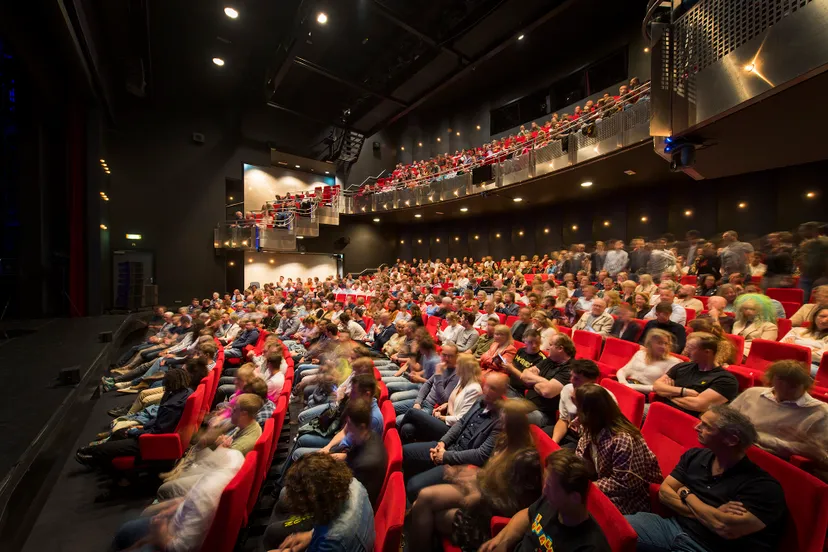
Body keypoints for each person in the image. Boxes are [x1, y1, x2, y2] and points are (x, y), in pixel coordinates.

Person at [626, 405, 787, 552]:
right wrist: (709, 515)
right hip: (670, 527)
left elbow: (723, 528)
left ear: (731, 440)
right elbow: (664, 493)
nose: (696, 427)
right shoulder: (695, 456)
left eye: (706, 426)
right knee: (611, 530)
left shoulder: (763, 487)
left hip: (708, 547)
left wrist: (686, 494)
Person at [409, 401, 543, 552]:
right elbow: (491, 474)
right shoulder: (503, 440)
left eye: (504, 420)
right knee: (423, 499)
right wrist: (468, 473)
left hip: (488, 517)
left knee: (430, 513)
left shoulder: (526, 459)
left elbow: (516, 506)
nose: (500, 423)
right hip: (482, 497)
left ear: (515, 424)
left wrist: (480, 493)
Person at [112, 447, 245, 552]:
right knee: (124, 532)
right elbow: (194, 500)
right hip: (174, 524)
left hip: (170, 540)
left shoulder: (206, 493)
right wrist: (175, 506)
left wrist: (160, 532)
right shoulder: (236, 459)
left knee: (125, 531)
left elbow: (179, 548)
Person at [478, 448, 611, 552]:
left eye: (551, 487)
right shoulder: (552, 502)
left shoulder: (591, 547)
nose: (544, 491)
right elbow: (527, 514)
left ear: (574, 498)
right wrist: (502, 540)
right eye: (545, 484)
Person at [402, 373, 507, 502]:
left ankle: (412, 509)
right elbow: (461, 422)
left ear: (503, 391)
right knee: (405, 452)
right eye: (486, 386)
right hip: (449, 448)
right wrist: (442, 443)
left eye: (493, 388)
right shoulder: (480, 400)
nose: (487, 390)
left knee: (413, 486)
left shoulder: (501, 420)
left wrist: (445, 456)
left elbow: (481, 455)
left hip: (461, 465)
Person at [575, 384, 662, 514]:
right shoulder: (590, 427)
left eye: (578, 407)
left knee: (577, 507)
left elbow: (625, 484)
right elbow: (581, 456)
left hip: (630, 499)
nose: (575, 412)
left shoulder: (623, 439)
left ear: (589, 412)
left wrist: (589, 486)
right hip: (602, 483)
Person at [77, 368, 193, 466]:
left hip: (152, 442)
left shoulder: (170, 406)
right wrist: (141, 427)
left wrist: (136, 432)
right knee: (119, 433)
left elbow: (157, 432)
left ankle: (93, 454)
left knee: (111, 445)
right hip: (156, 433)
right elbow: (159, 423)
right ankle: (100, 454)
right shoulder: (187, 392)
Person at [264, 453, 375, 552]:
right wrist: (310, 535)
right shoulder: (354, 484)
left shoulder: (333, 539)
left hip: (342, 542)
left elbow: (333, 538)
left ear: (314, 501)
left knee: (271, 536)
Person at [730, 360, 828, 471]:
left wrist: (755, 438)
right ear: (772, 380)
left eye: (793, 385)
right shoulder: (753, 393)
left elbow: (813, 451)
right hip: (734, 446)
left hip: (770, 462)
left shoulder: (820, 412)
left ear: (805, 385)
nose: (785, 388)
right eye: (781, 381)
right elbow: (726, 418)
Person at [400, 353, 483, 443]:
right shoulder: (463, 380)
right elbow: (456, 400)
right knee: (407, 428)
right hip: (445, 418)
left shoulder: (474, 389)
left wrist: (441, 417)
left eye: (458, 365)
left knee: (412, 412)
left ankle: (394, 444)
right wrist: (446, 405)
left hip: (452, 429)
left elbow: (461, 419)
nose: (456, 367)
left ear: (464, 369)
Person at [653, 332, 739, 417]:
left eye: (690, 348)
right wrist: (683, 391)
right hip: (661, 409)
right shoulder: (683, 366)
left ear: (707, 352)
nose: (685, 351)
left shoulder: (725, 380)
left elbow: (698, 405)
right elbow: (657, 386)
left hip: (687, 421)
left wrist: (668, 393)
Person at [520, 333, 575, 428]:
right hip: (527, 403)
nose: (547, 348)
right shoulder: (549, 360)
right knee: (501, 407)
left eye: (551, 345)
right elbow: (524, 375)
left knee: (513, 417)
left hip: (544, 414)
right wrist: (543, 382)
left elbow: (547, 391)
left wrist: (533, 380)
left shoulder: (570, 369)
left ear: (560, 348)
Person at [617, 329, 681, 394]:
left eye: (666, 343)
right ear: (650, 343)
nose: (664, 347)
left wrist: (630, 387)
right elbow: (623, 370)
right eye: (659, 343)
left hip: (645, 394)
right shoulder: (640, 353)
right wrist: (623, 382)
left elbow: (662, 388)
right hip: (627, 385)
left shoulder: (673, 362)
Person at [780, 305, 828, 375]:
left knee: (790, 369)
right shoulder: (796, 330)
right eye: (822, 316)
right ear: (814, 317)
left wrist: (793, 346)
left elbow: (822, 358)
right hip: (787, 361)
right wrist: (811, 350)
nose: (824, 320)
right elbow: (780, 348)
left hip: (813, 366)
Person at [731, 293, 778, 359]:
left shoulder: (770, 327)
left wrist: (739, 347)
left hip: (751, 354)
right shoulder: (737, 323)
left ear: (761, 311)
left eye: (752, 309)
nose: (748, 311)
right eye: (745, 309)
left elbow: (763, 346)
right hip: (734, 350)